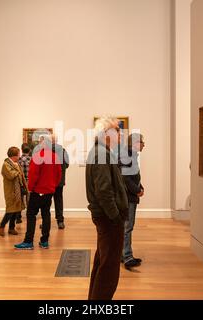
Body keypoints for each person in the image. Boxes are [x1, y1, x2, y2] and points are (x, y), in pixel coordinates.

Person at [86, 117, 129, 300]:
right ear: (106, 134)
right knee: (109, 267)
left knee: (102, 261)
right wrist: (115, 217)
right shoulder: (101, 154)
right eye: (117, 130)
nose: (120, 134)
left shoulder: (101, 152)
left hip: (106, 217)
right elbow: (104, 191)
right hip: (108, 218)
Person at [14, 135, 61, 250]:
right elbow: (59, 175)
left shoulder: (38, 156)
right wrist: (52, 186)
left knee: (31, 215)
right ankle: (44, 241)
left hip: (37, 191)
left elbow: (33, 175)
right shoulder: (55, 157)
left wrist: (30, 188)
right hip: (49, 191)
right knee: (46, 214)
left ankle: (28, 241)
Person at [119, 133, 145, 270]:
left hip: (130, 195)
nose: (143, 144)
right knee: (127, 227)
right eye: (142, 141)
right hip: (128, 197)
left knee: (127, 226)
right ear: (135, 143)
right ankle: (127, 256)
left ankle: (123, 255)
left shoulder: (130, 155)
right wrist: (137, 190)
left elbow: (133, 176)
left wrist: (139, 186)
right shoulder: (127, 156)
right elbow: (126, 179)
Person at [0, 147, 27, 236]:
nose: (19, 156)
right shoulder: (6, 164)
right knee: (10, 210)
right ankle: (1, 227)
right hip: (11, 191)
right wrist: (18, 171)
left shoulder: (16, 163)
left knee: (16, 210)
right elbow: (11, 175)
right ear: (14, 155)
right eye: (18, 154)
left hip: (17, 191)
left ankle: (11, 228)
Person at [51, 134, 70, 229]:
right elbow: (67, 164)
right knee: (58, 200)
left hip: (48, 181)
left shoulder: (45, 151)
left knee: (46, 202)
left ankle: (46, 221)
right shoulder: (63, 151)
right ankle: (60, 221)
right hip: (59, 180)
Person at [17, 143, 32, 223]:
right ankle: (29, 215)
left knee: (20, 199)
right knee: (29, 199)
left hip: (21, 181)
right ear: (29, 150)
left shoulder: (19, 159)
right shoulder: (32, 159)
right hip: (29, 181)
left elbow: (19, 172)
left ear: (22, 150)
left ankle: (18, 217)